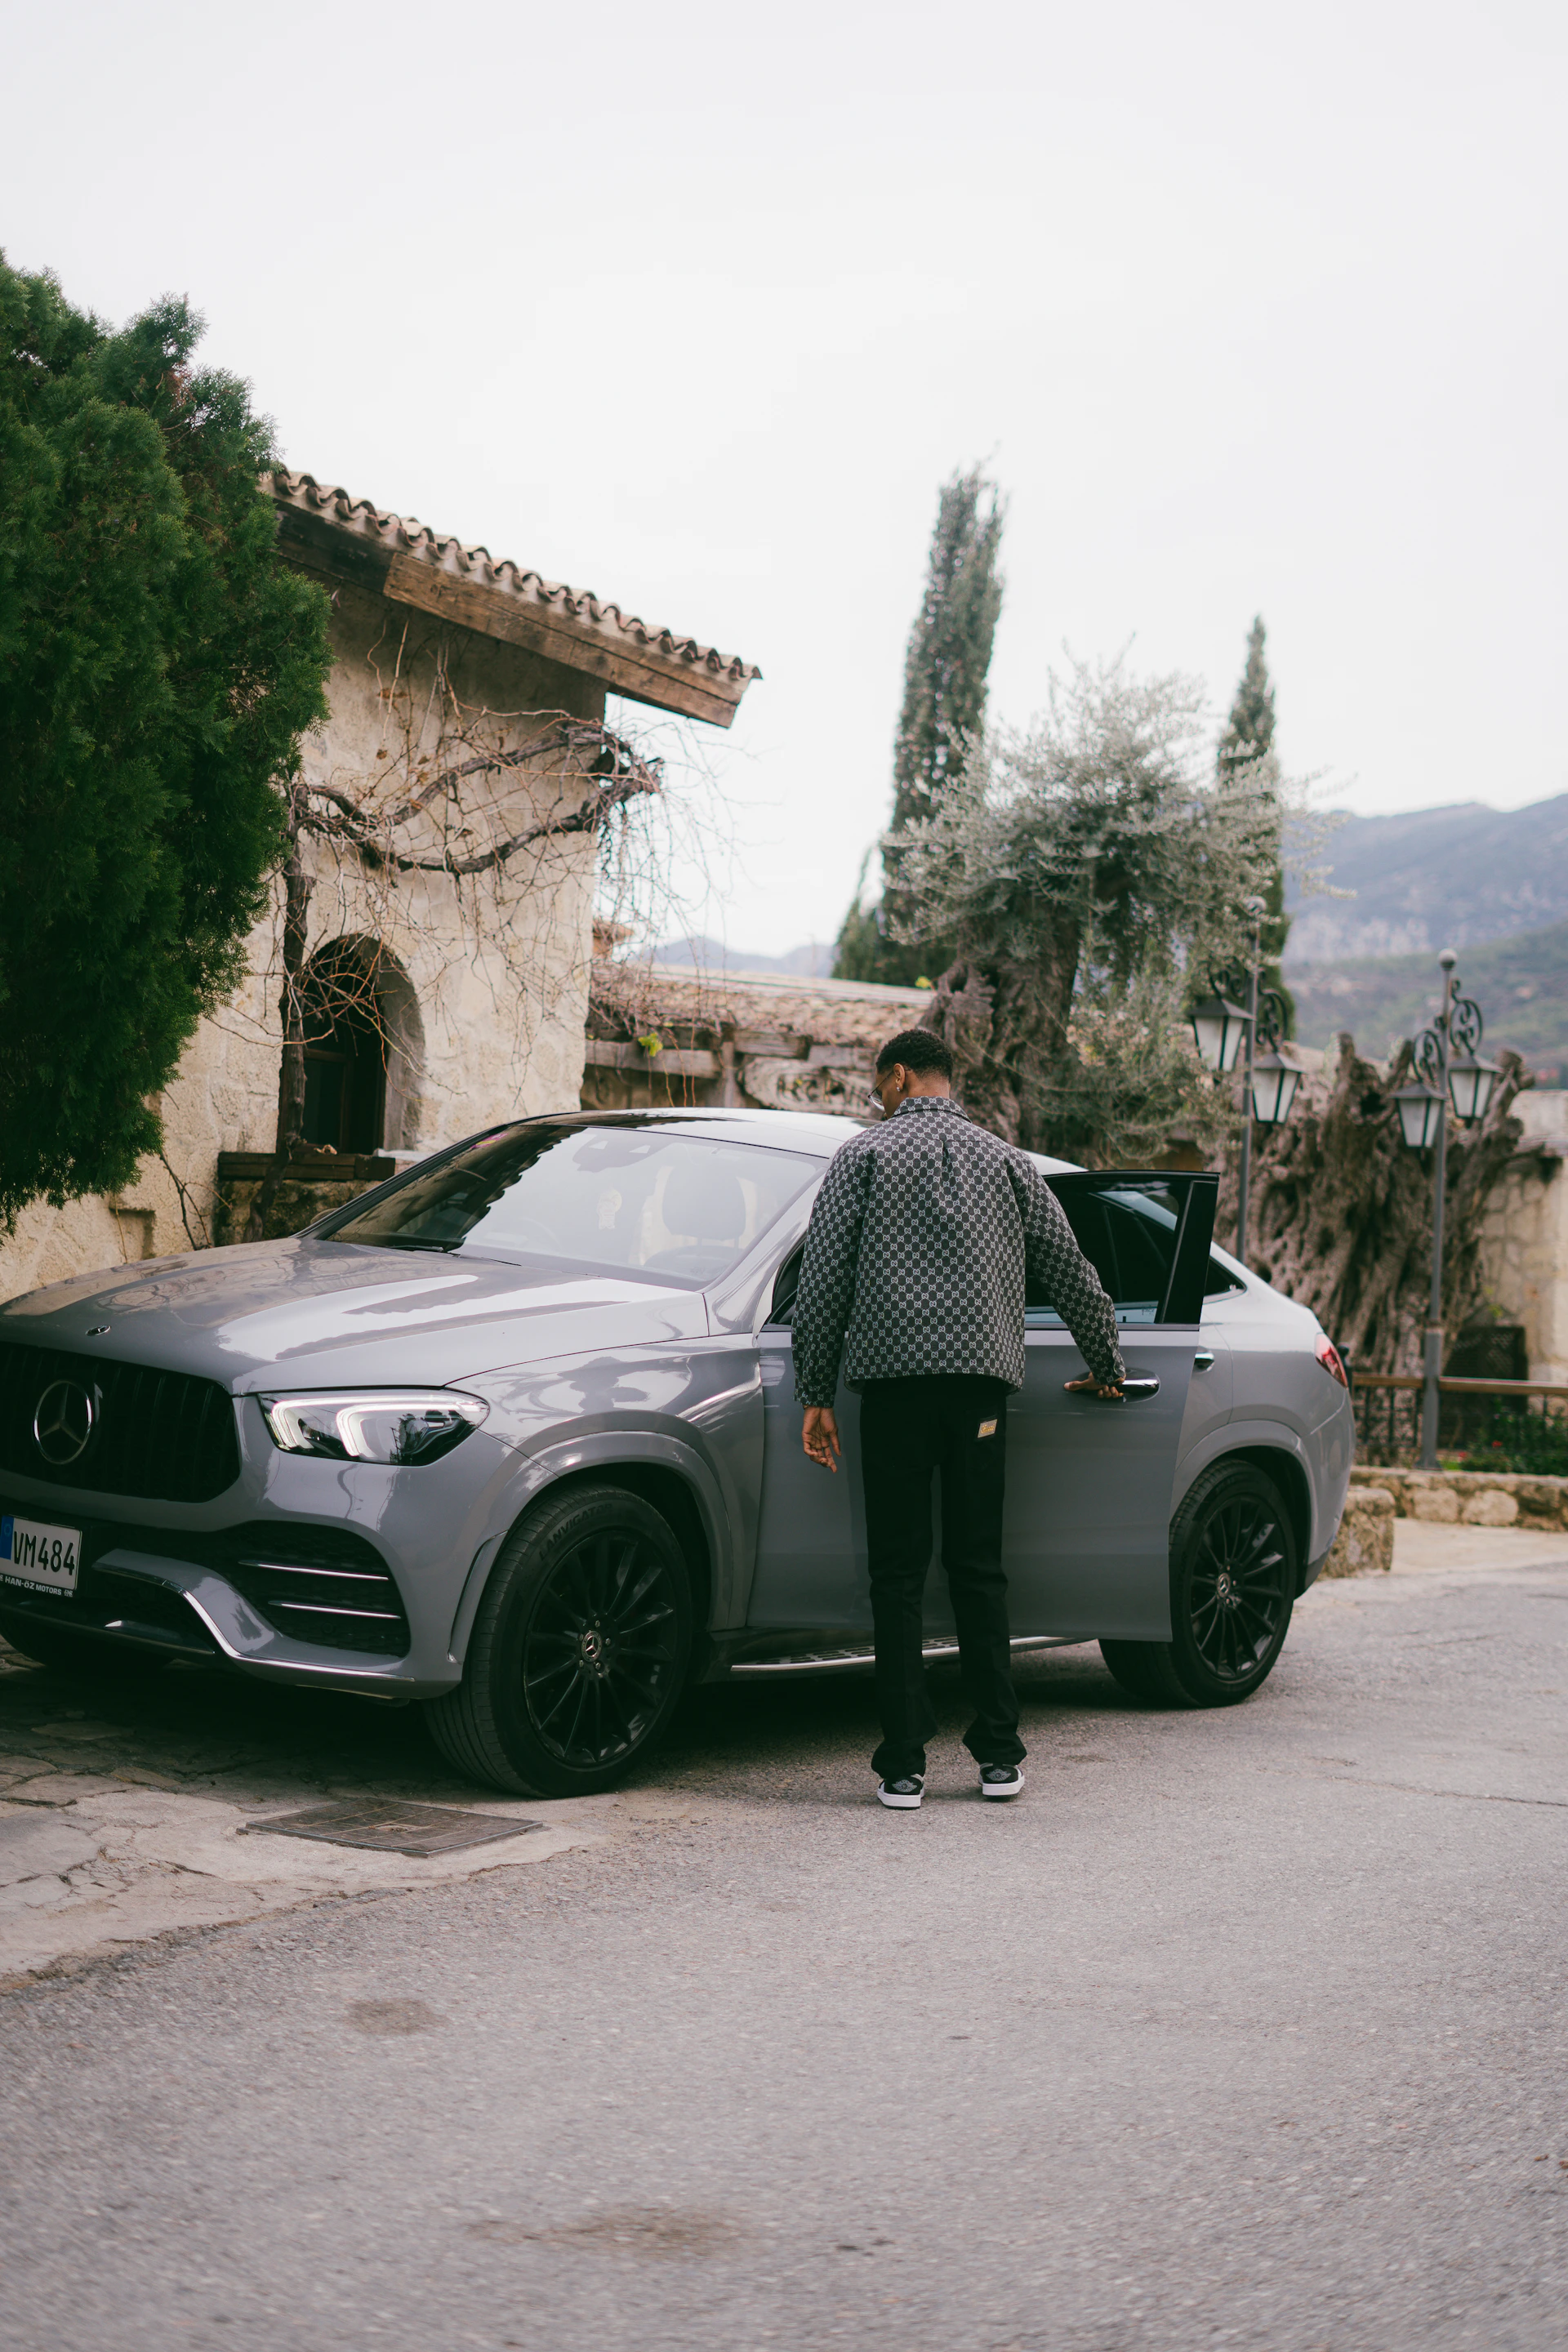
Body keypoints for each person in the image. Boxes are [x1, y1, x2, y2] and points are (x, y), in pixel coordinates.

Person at [791, 1027, 1126, 1810]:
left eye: (881, 1084)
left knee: (898, 1576)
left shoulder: (863, 1159)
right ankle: (999, 1757)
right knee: (980, 1571)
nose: (880, 1098)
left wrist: (815, 1392)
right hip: (979, 1395)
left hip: (894, 1393)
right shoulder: (1005, 1160)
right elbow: (1067, 1264)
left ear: (902, 1075)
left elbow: (824, 1280)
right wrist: (1105, 1362)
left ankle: (903, 1762)